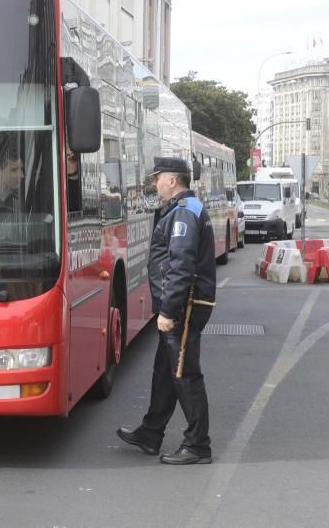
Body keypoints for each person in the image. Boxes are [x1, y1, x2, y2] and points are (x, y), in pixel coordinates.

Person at [116, 156, 217, 465]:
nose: (155, 183)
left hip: (184, 305)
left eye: (158, 177)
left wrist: (168, 311)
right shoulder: (183, 209)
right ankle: (151, 432)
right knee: (165, 372)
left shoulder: (184, 214)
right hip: (181, 303)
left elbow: (181, 265)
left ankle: (198, 445)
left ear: (172, 180)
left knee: (184, 373)